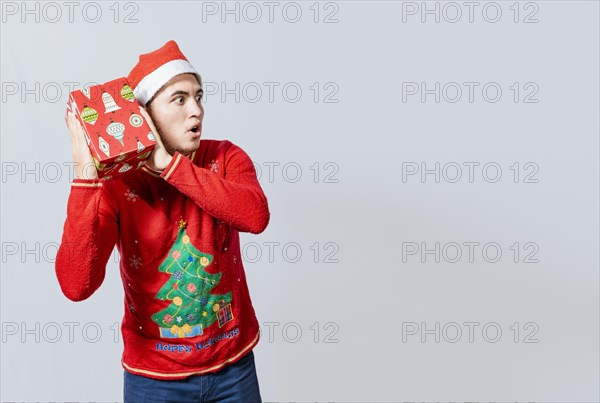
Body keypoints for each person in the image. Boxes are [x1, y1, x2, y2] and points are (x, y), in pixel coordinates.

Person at [55, 40, 270, 402]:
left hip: (235, 369)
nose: (197, 111)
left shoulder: (225, 156)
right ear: (144, 115)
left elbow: (255, 216)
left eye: (198, 97)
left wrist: (168, 166)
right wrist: (85, 178)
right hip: (153, 381)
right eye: (180, 99)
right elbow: (77, 285)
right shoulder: (117, 186)